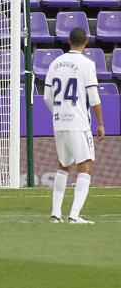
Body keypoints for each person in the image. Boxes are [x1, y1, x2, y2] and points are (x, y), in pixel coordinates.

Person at [44, 27, 104, 224]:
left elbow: (47, 97)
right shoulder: (86, 64)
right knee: (85, 167)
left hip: (60, 121)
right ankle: (74, 215)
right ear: (86, 41)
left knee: (64, 165)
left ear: (69, 41)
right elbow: (94, 97)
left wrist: (59, 113)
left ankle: (55, 213)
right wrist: (101, 124)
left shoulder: (55, 63)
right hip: (79, 123)